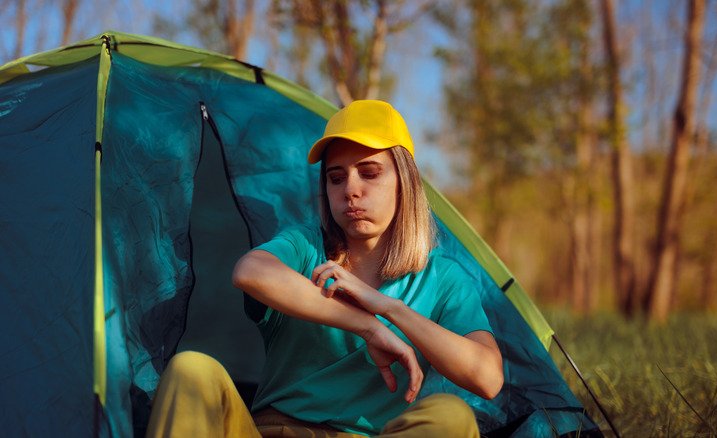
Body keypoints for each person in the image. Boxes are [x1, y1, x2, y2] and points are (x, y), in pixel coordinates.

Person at [146, 100, 503, 438]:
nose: (351, 190)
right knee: (190, 370)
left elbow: (487, 378)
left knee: (451, 416)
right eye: (336, 178)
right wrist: (368, 327)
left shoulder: (442, 278)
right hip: (274, 430)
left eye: (369, 173)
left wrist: (388, 308)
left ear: (405, 183)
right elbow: (250, 271)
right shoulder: (306, 247)